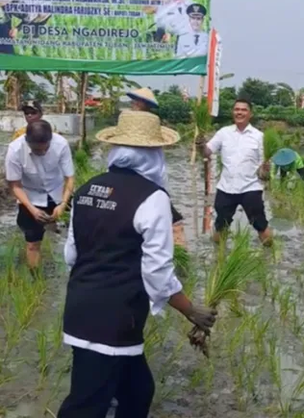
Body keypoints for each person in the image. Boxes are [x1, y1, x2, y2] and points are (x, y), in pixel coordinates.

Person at [57, 110, 217, 418]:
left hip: (79, 309)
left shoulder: (87, 189)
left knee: (137, 392)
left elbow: (71, 255)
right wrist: (190, 309)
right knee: (86, 406)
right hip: (116, 319)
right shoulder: (153, 197)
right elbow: (157, 273)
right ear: (154, 154)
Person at [199, 98, 273, 246]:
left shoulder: (259, 136)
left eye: (243, 110)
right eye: (237, 109)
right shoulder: (223, 133)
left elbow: (265, 164)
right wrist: (200, 146)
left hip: (251, 188)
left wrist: (265, 170)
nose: (239, 112)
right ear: (233, 112)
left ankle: (270, 256)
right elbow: (207, 152)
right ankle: (218, 258)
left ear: (250, 114)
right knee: (221, 225)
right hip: (226, 188)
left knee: (260, 224)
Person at [5, 120, 75, 272]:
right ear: (27, 141)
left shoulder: (61, 144)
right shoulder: (15, 150)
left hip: (57, 192)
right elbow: (15, 185)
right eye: (37, 151)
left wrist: (63, 204)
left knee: (68, 233)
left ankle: (54, 241)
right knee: (32, 242)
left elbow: (69, 178)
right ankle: (36, 277)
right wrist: (32, 209)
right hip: (30, 196)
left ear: (50, 140)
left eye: (45, 149)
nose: (42, 153)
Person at [126, 87, 187, 247]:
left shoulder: (145, 127)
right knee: (174, 225)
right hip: (148, 187)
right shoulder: (146, 129)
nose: (133, 104)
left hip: (148, 186)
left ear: (141, 103)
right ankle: (181, 264)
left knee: (173, 223)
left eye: (135, 101)